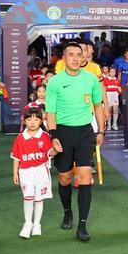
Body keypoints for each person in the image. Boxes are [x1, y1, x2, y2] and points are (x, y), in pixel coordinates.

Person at [46, 42, 105, 242]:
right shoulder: (55, 82)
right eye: (71, 54)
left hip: (85, 133)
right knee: (64, 178)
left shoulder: (91, 79)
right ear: (64, 58)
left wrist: (101, 130)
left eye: (78, 54)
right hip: (62, 133)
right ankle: (67, 212)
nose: (75, 58)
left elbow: (98, 106)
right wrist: (53, 136)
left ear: (83, 57)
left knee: (85, 177)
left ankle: (82, 225)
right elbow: (50, 112)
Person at [11, 107, 60, 239]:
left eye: (36, 119)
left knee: (39, 199)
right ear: (24, 121)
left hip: (41, 171)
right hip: (25, 172)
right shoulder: (20, 138)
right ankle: (27, 224)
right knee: (28, 198)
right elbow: (16, 157)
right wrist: (15, 173)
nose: (32, 122)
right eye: (29, 119)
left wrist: (56, 150)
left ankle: (37, 224)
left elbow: (49, 153)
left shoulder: (44, 136)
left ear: (41, 121)